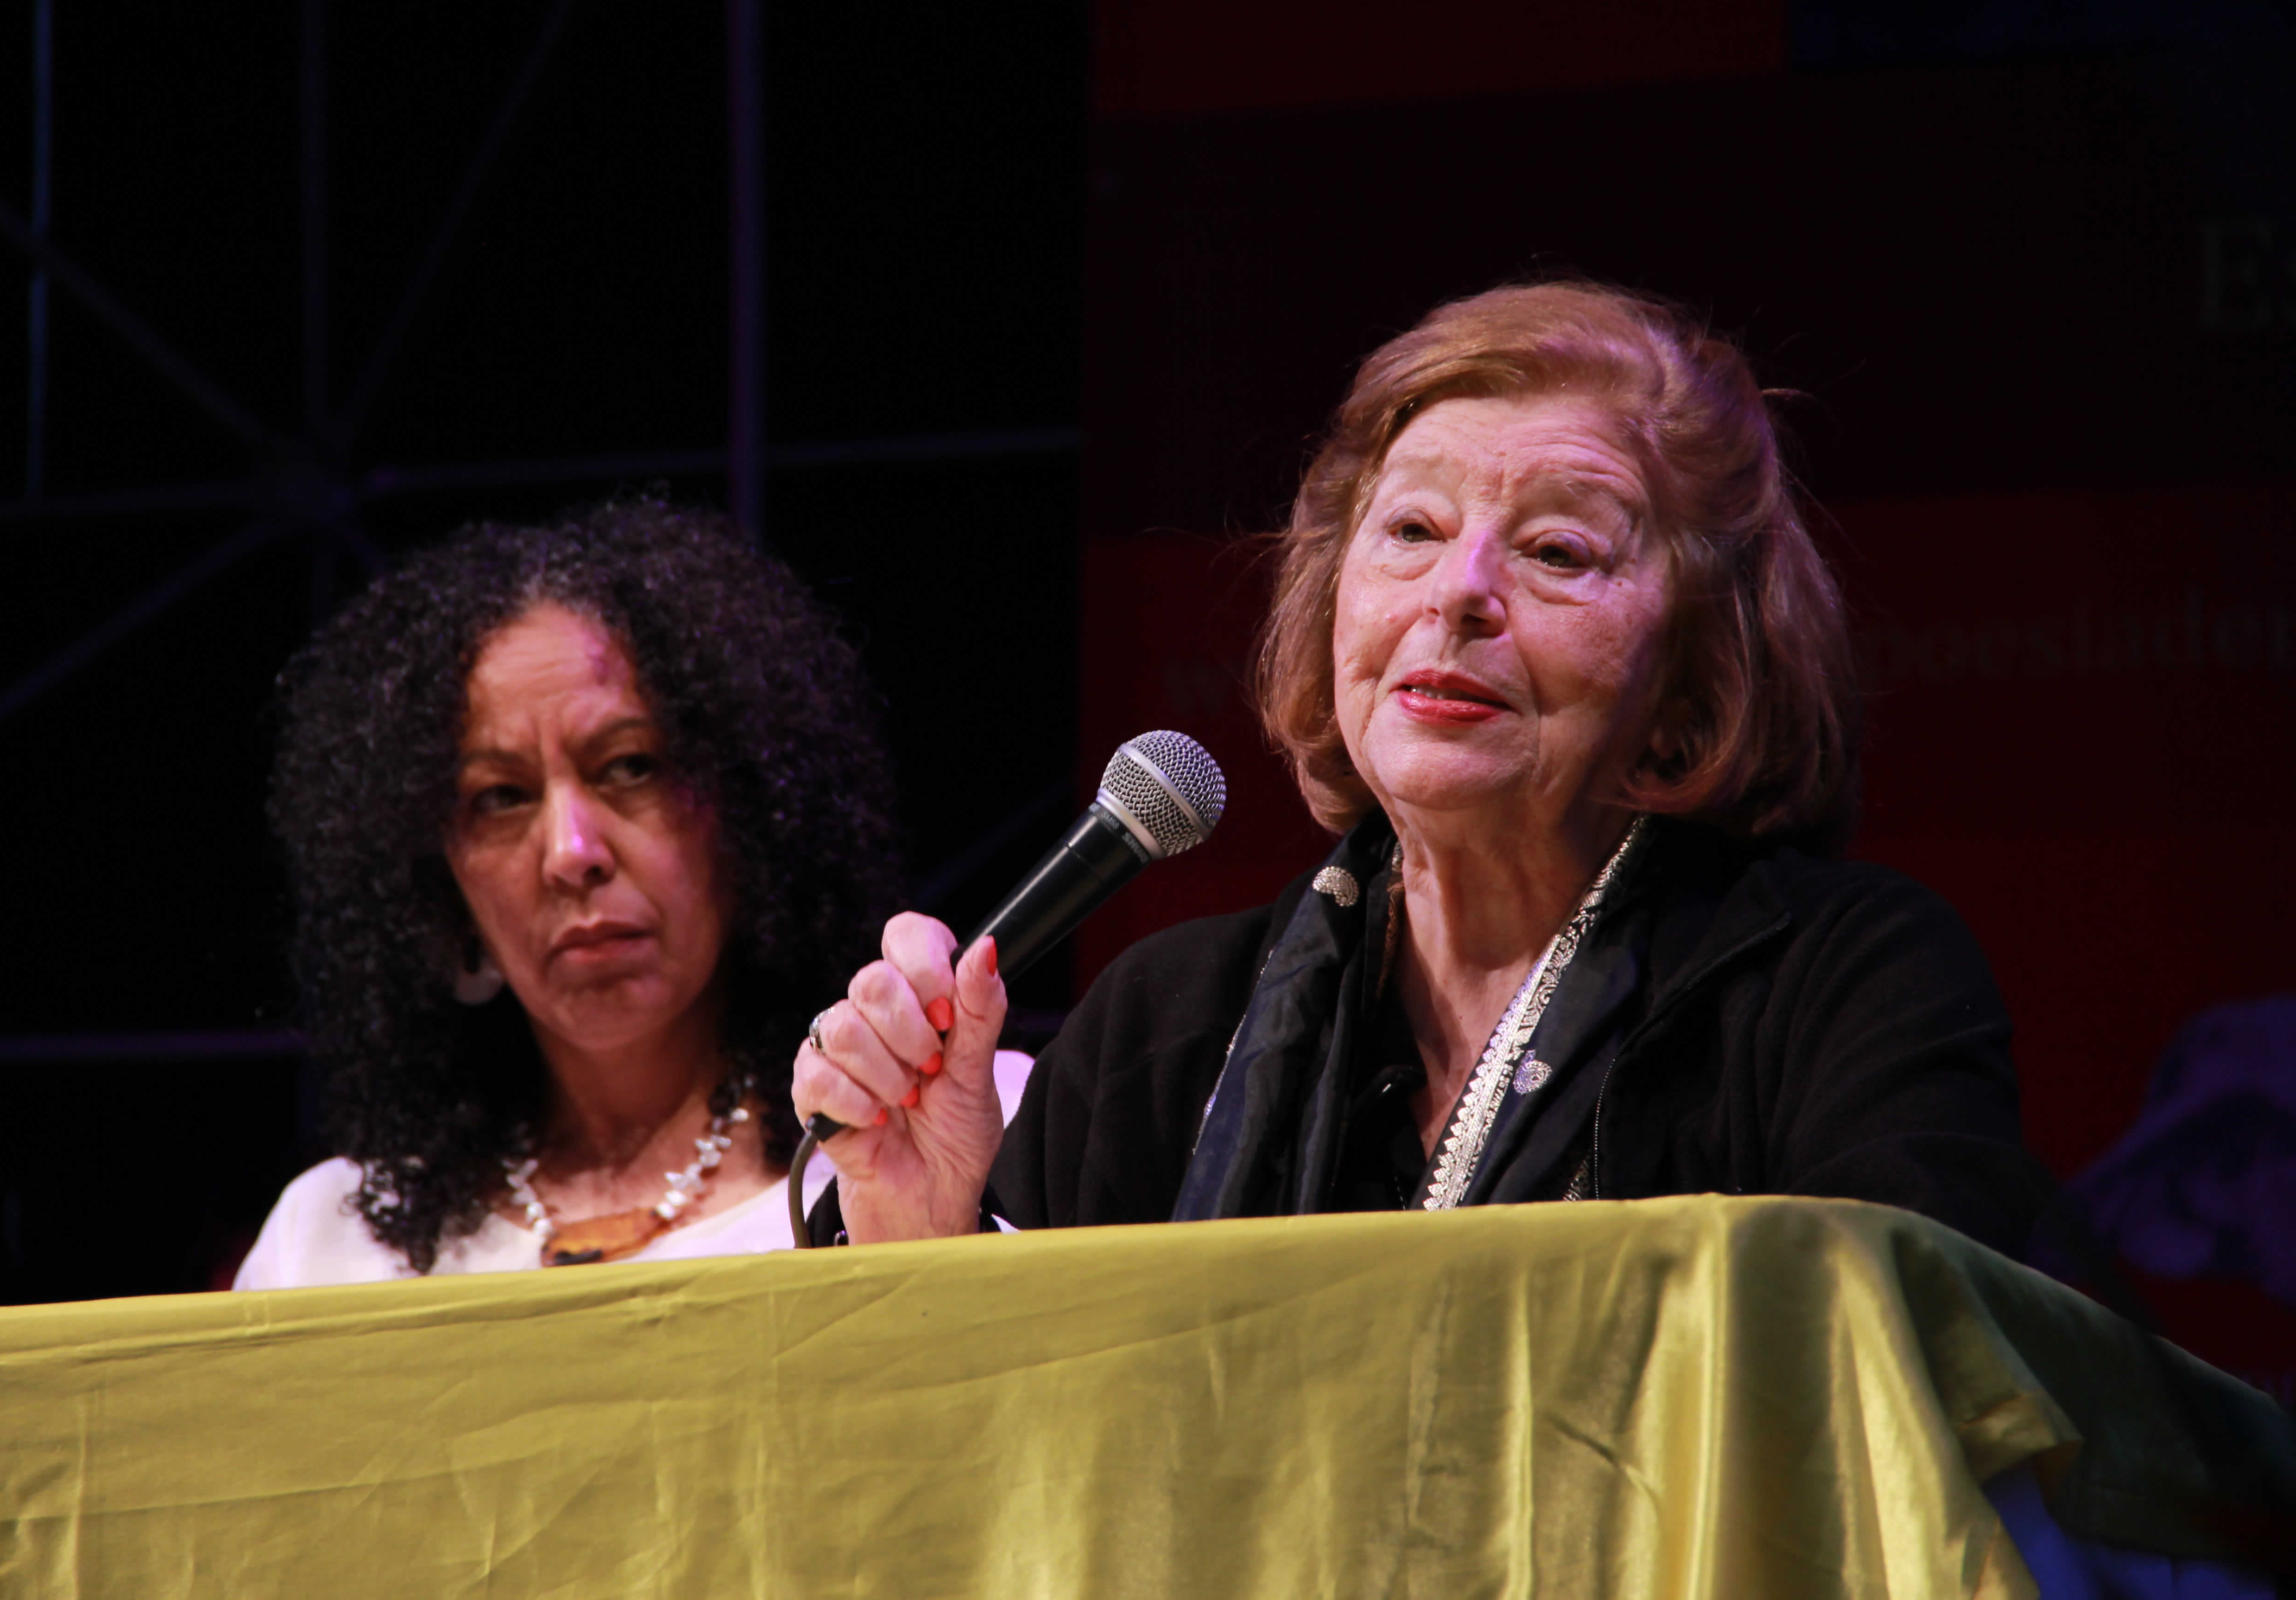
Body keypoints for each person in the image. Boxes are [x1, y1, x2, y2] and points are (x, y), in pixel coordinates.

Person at [795, 281, 2055, 1255]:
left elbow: (1917, 1420)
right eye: (1411, 530)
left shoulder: (1844, 990)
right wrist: (932, 1232)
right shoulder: (1168, 1024)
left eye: (1558, 552)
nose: (1457, 596)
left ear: (1693, 682)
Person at [238, 499, 920, 1284]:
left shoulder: (933, 1143)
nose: (571, 853)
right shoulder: (327, 1244)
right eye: (500, 796)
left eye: (630, 767)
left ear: (753, 811)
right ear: (438, 883)